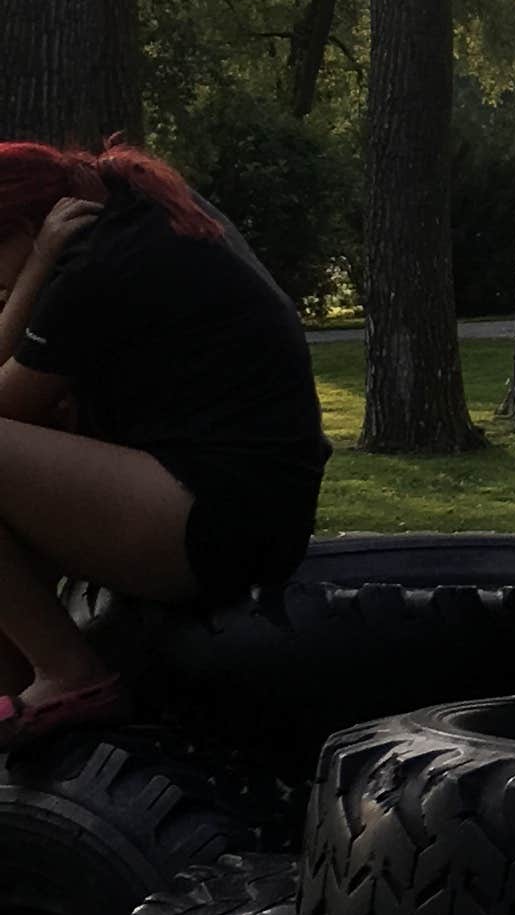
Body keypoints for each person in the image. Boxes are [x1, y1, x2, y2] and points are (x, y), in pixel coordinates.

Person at [0, 140, 329, 753]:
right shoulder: (132, 213)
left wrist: (36, 269)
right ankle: (21, 682)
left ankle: (71, 676)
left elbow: (4, 403)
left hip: (217, 522)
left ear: (25, 229)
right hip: (246, 510)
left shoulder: (91, 261)